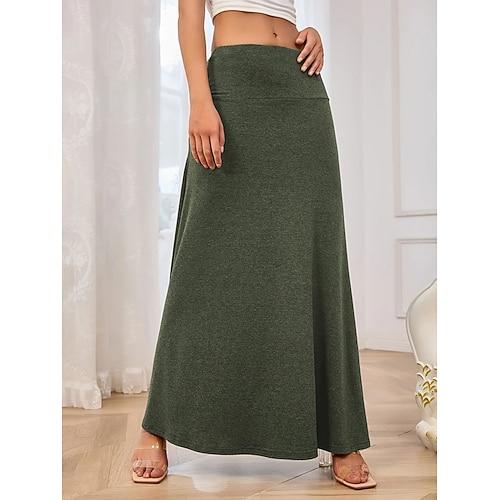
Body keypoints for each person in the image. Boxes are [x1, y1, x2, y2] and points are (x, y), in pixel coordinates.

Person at [131, 0, 376, 491]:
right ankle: (156, 426)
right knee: (202, 262)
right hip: (232, 87)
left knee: (318, 254)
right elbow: (188, 18)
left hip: (299, 88)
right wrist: (200, 101)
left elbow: (279, 15)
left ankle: (342, 434)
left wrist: (310, 33)